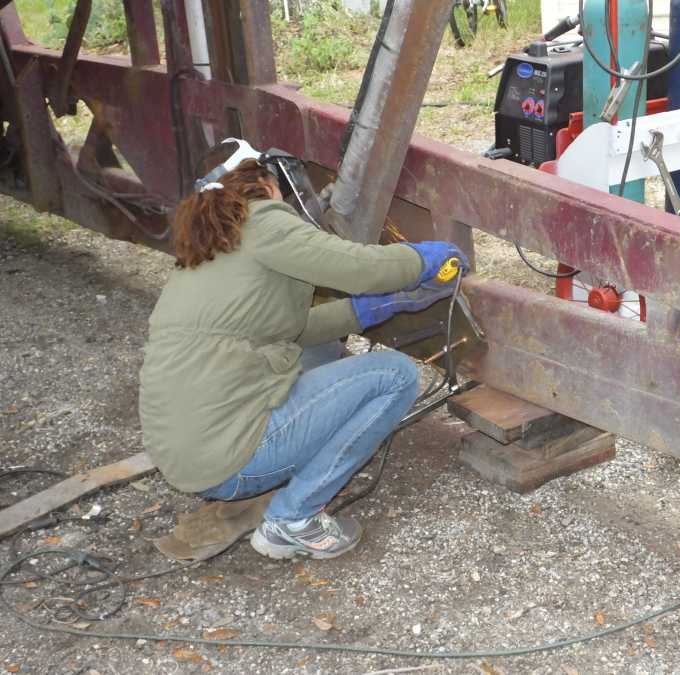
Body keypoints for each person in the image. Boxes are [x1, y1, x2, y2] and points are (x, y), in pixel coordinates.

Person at [139, 149, 467, 561]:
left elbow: (286, 332)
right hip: (227, 460)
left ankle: (284, 479)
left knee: (319, 351)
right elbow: (359, 268)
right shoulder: (263, 220)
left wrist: (367, 311)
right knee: (396, 376)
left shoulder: (209, 248)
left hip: (186, 455)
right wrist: (421, 260)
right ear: (266, 184)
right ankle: (293, 520)